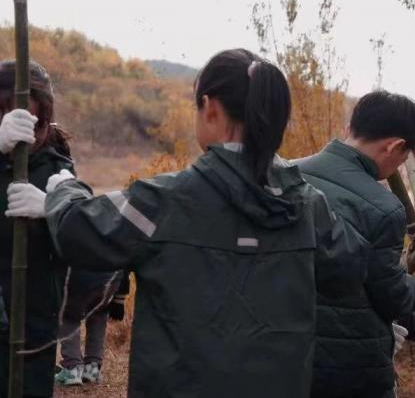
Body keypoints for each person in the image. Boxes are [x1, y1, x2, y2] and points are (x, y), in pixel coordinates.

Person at [30, 49, 366, 398]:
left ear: (210, 108)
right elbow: (350, 267)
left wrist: (62, 187)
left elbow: (78, 232)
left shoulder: (161, 201)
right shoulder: (310, 206)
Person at [299, 90, 415, 398]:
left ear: (351, 128)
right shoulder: (383, 208)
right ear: (395, 147)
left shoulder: (287, 173)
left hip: (287, 359)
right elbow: (392, 297)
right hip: (350, 371)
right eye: (402, 158)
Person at [0, 61, 74, 398]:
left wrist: (56, 210)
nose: (26, 136)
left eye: (37, 123)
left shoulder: (59, 171)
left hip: (35, 332)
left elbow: (85, 249)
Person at [54, 268, 122, 386]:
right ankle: (92, 369)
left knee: (68, 316)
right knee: (99, 313)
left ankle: (73, 368)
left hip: (79, 276)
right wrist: (120, 298)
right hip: (110, 278)